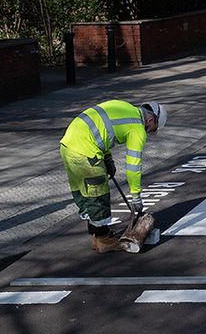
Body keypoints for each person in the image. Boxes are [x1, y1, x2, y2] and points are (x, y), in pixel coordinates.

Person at [60, 100, 166, 252]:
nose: (150, 133)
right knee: (98, 195)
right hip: (84, 152)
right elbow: (133, 166)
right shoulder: (137, 129)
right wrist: (135, 196)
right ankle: (104, 241)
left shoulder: (125, 108)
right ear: (150, 120)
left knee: (86, 194)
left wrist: (108, 159)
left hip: (68, 146)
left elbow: (102, 131)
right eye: (152, 130)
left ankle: (97, 237)